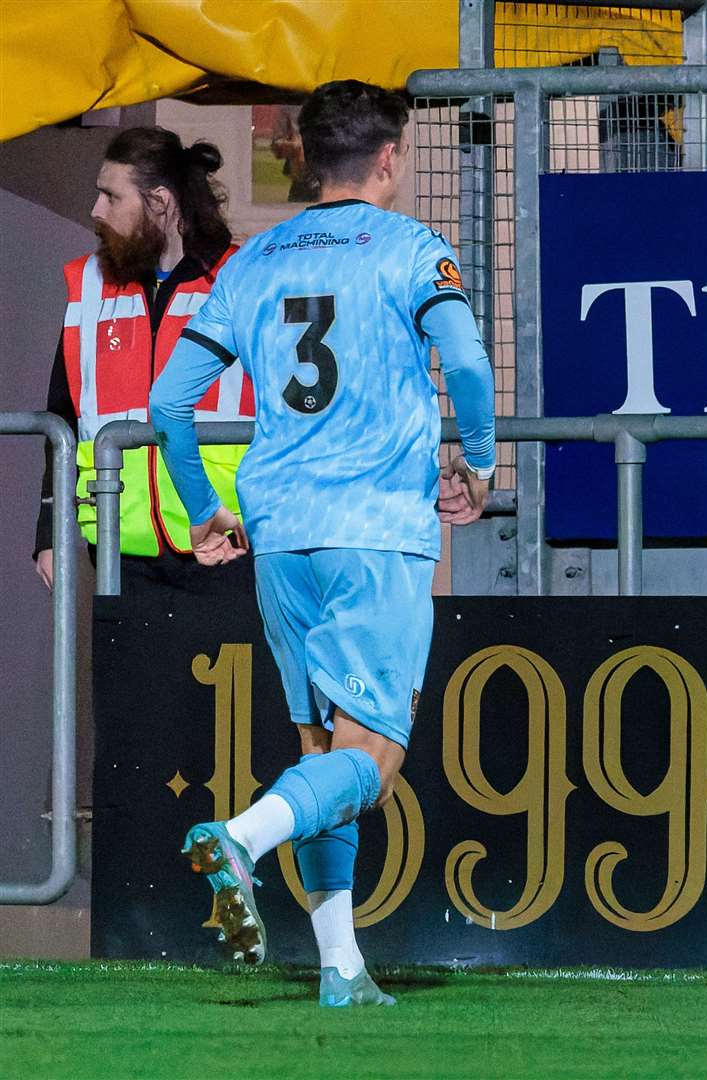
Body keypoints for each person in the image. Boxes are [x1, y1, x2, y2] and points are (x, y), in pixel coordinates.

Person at [149, 80, 497, 1006]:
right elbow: (463, 359)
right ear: (390, 158)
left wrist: (200, 506)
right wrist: (485, 463)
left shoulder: (254, 262)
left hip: (279, 534)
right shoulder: (411, 249)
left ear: (303, 156)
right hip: (376, 532)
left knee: (321, 751)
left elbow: (168, 403)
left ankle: (341, 968)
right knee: (371, 761)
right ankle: (244, 838)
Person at [34, 127, 254, 598]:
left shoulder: (242, 280)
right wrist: (50, 532)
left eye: (110, 196)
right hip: (120, 554)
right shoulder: (90, 284)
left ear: (160, 202)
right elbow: (63, 418)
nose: (96, 211)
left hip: (230, 550)